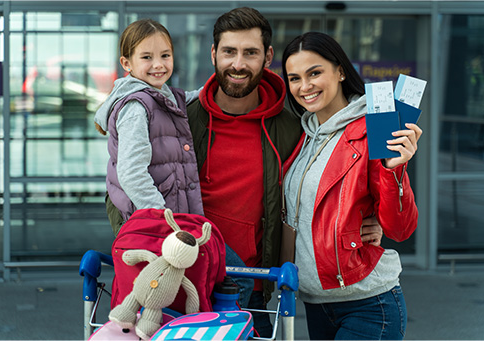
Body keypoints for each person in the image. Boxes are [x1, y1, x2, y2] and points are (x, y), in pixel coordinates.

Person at [187, 7, 383, 337]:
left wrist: (371, 216)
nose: (238, 64)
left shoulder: (293, 127)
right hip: (185, 286)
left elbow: (328, 179)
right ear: (213, 54)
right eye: (229, 52)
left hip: (255, 294)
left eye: (250, 52)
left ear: (267, 57)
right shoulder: (183, 119)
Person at [281, 31, 422, 340]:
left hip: (368, 303)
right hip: (317, 304)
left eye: (315, 72)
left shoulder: (373, 130)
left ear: (341, 71)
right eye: (294, 78)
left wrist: (394, 172)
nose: (304, 87)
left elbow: (400, 229)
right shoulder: (303, 135)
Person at [94, 19, 203, 236]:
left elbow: (191, 98)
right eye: (147, 57)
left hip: (162, 219)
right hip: (152, 224)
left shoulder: (163, 94)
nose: (159, 64)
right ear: (127, 64)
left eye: (165, 55)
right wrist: (165, 221)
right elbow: (131, 173)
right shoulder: (136, 107)